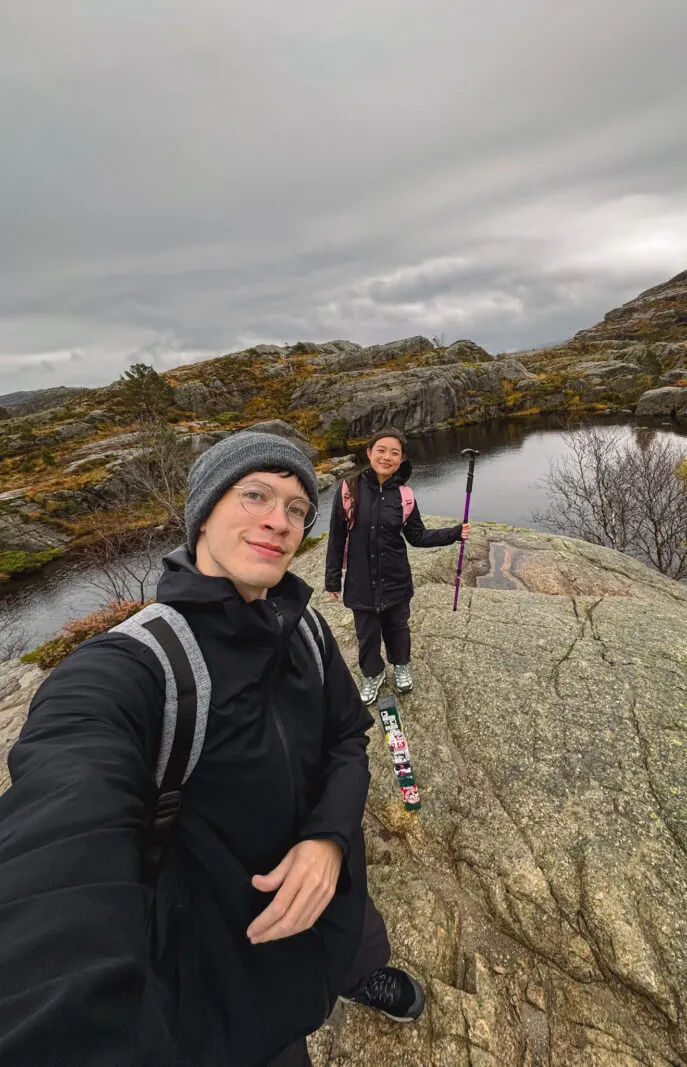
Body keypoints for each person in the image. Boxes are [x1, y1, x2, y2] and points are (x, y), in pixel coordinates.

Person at [0, 432, 424, 1067]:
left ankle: (358, 975)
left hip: (333, 892)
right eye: (255, 494)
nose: (278, 521)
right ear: (202, 512)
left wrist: (330, 840)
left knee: (356, 939)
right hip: (228, 960)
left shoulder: (302, 625)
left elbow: (347, 737)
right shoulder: (133, 668)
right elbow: (57, 853)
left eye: (296, 508)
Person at [325, 428, 470, 704]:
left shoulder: (404, 496)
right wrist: (333, 579)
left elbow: (417, 537)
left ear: (401, 458)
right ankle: (373, 674)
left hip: (396, 580)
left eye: (395, 453)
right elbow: (337, 536)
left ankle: (401, 665)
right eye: (381, 450)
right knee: (366, 634)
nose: (387, 457)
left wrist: (454, 533)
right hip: (361, 581)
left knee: (398, 627)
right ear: (369, 453)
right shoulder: (349, 489)